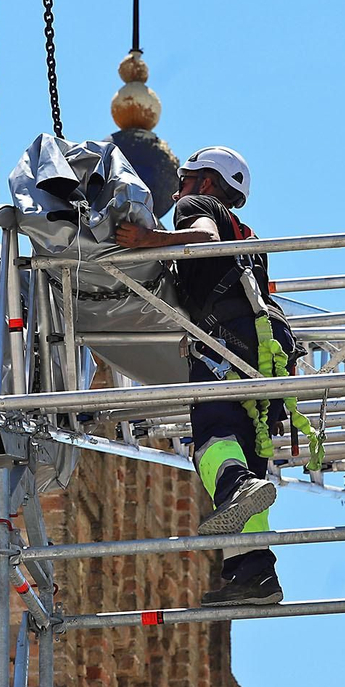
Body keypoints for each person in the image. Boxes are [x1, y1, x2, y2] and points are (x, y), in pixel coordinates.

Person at [115, 146, 293, 606]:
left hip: (226, 338)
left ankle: (237, 486)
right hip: (268, 345)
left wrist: (147, 239)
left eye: (185, 179)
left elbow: (204, 238)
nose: (179, 190)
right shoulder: (248, 235)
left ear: (208, 182)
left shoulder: (198, 206)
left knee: (214, 439)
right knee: (248, 457)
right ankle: (253, 573)